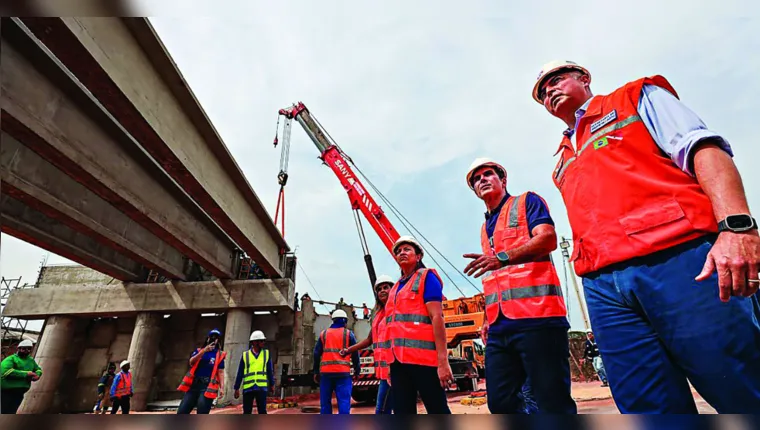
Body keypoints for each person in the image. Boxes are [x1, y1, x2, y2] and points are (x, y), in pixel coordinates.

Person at [534, 60, 760, 413]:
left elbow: (703, 148)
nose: (549, 90)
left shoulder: (634, 99)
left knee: (739, 385)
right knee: (646, 409)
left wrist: (736, 227)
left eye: (556, 79)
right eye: (542, 92)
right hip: (604, 286)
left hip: (680, 260)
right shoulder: (562, 160)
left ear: (584, 78)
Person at [463, 158, 577, 414]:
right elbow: (496, 278)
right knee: (501, 402)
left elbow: (547, 239)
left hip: (538, 318)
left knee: (551, 400)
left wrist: (502, 257)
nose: (482, 179)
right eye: (476, 179)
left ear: (503, 180)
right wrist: (485, 320)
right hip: (500, 326)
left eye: (488, 174)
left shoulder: (527, 202)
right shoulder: (485, 227)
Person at [385, 236, 452, 414]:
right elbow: (391, 330)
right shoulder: (395, 289)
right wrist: (389, 366)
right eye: (398, 251)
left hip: (424, 362)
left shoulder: (426, 277)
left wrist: (443, 362)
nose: (402, 253)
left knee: (437, 409)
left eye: (407, 249)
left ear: (419, 255)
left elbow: (437, 317)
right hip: (398, 363)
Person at [341, 274, 395, 414]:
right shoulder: (378, 315)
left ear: (393, 289)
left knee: (382, 410)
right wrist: (348, 350)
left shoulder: (397, 310)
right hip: (384, 372)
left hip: (395, 369)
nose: (382, 291)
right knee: (385, 410)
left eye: (386, 287)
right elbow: (370, 339)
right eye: (379, 289)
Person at [314, 309, 360, 414]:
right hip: (343, 374)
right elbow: (355, 353)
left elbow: (316, 354)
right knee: (344, 402)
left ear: (333, 320)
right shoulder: (348, 334)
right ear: (345, 321)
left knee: (325, 403)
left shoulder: (323, 334)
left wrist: (316, 372)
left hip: (326, 374)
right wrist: (357, 371)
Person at [177, 328, 227, 414]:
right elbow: (191, 362)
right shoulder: (199, 351)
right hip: (194, 385)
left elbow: (220, 372)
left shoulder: (220, 354)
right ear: (208, 338)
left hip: (207, 386)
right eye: (212, 337)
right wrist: (204, 351)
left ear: (218, 340)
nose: (213, 339)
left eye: (216, 338)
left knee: (202, 412)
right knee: (182, 411)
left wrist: (222, 388)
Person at [234, 330, 275, 414]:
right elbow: (240, 372)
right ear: (255, 342)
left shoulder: (266, 354)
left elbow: (269, 371)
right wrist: (236, 388)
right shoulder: (245, 355)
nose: (263, 343)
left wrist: (272, 384)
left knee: (262, 411)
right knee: (247, 411)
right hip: (248, 388)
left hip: (261, 388)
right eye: (261, 341)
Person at [0, 339, 42, 414]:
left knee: (11, 412)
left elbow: (38, 369)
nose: (27, 350)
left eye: (29, 349)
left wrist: (38, 375)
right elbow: (6, 372)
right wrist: (26, 374)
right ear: (18, 348)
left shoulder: (31, 360)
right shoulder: (11, 359)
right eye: (24, 348)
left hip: (19, 393)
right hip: (6, 393)